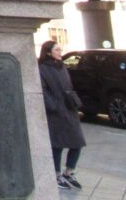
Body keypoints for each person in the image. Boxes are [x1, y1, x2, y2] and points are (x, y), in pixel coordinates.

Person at [39, 40, 86, 190]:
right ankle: (56, 174)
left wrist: (73, 102)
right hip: (56, 111)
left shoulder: (61, 66)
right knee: (57, 145)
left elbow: (69, 86)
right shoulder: (42, 68)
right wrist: (53, 105)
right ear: (48, 52)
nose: (60, 52)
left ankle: (69, 172)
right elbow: (43, 90)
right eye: (57, 50)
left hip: (69, 108)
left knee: (77, 142)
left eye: (60, 49)